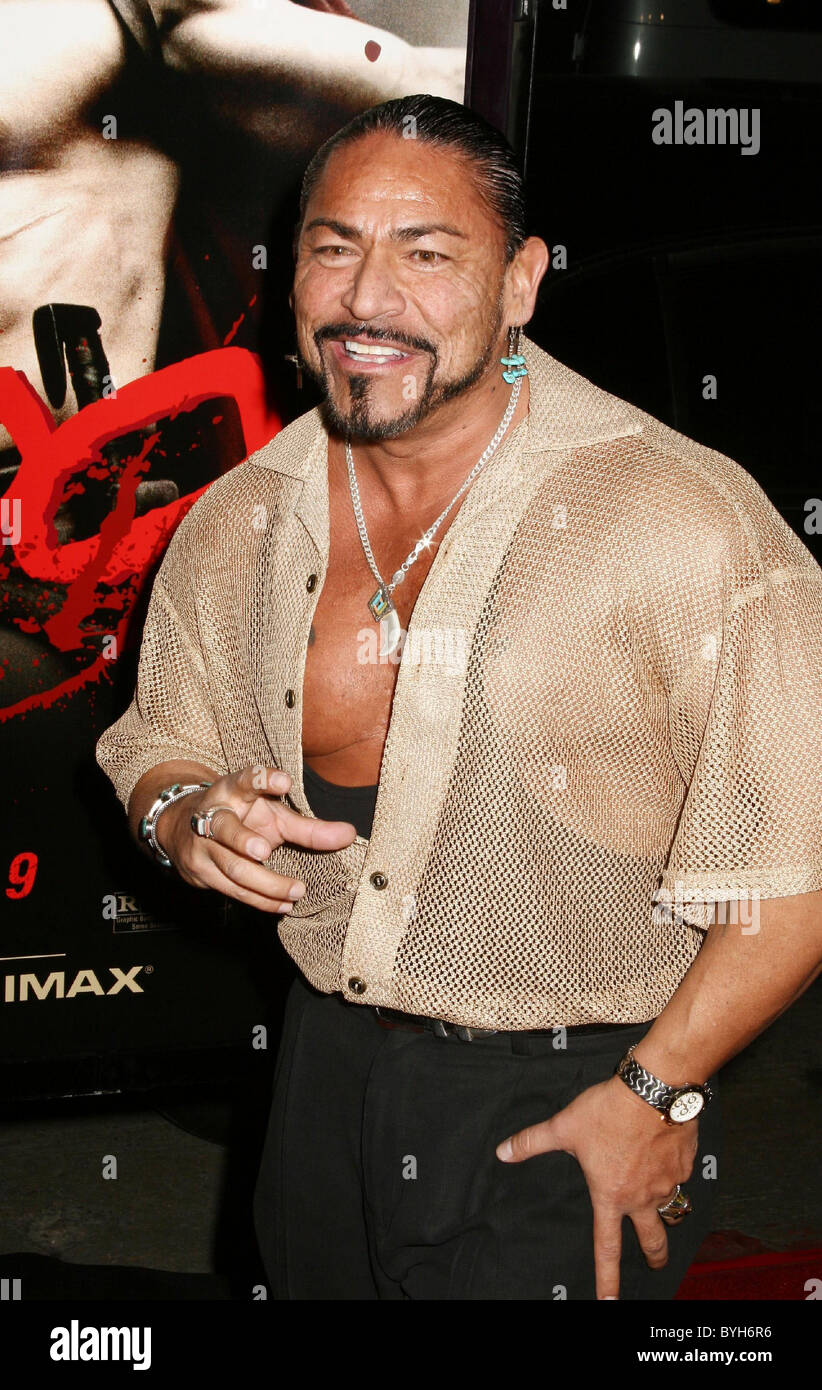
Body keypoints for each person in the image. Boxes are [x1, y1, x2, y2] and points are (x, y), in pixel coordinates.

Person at [95, 94, 822, 1301]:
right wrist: (184, 815)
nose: (367, 298)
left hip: (577, 1088)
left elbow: (793, 886)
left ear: (522, 281)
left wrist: (660, 1092)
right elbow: (158, 742)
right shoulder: (240, 521)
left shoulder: (687, 524)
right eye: (335, 248)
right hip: (325, 1066)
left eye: (427, 254)